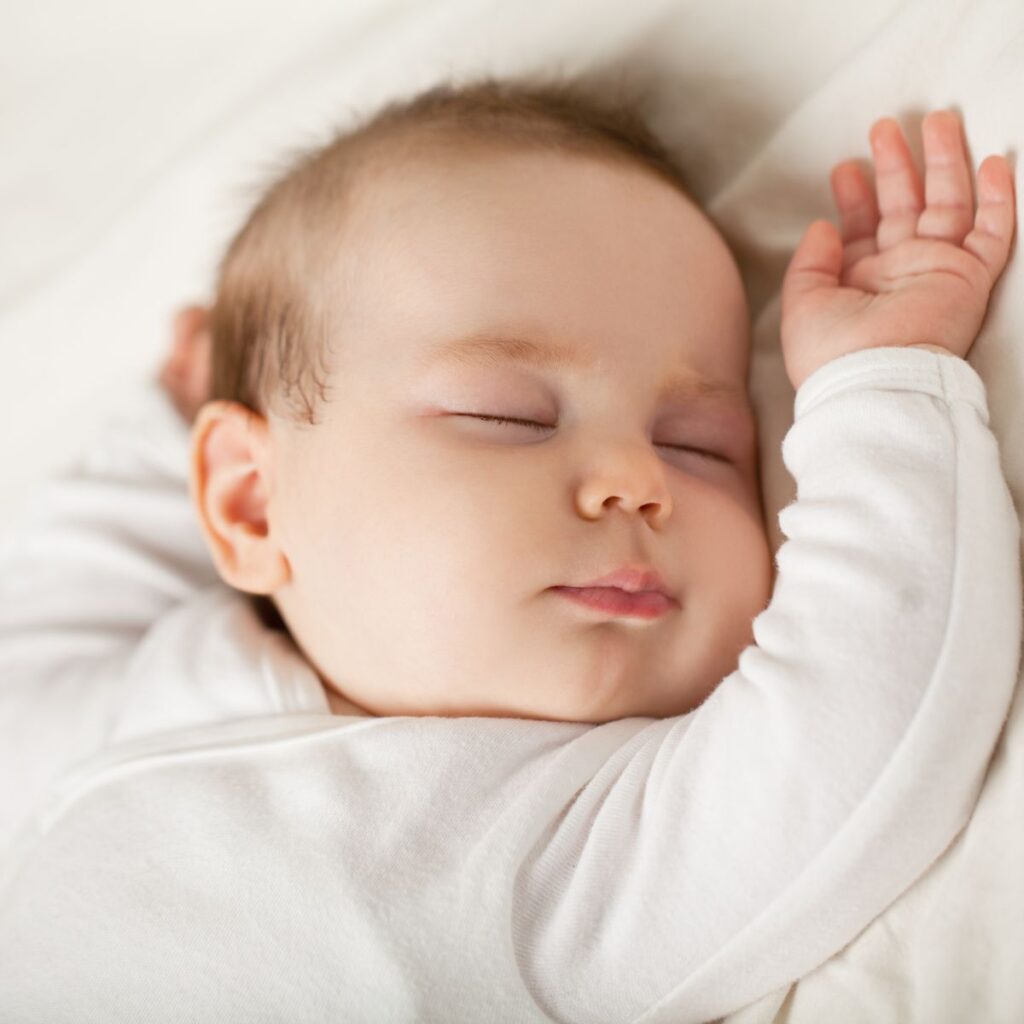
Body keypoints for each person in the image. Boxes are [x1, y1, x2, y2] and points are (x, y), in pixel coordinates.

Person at [0, 74, 1019, 1022]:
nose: (636, 476)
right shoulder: (144, 693)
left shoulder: (568, 837)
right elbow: (47, 632)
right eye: (509, 417)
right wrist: (159, 435)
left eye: (700, 445)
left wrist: (879, 387)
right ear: (252, 504)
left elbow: (856, 723)